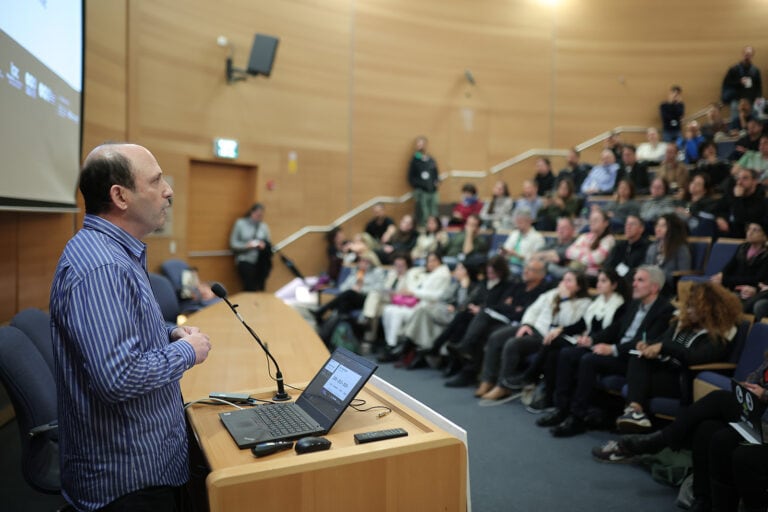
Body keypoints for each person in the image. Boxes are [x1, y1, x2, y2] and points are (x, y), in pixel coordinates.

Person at [49, 143, 212, 511]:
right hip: (128, 479)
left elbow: (124, 329)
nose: (168, 190)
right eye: (156, 181)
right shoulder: (103, 268)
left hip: (139, 463)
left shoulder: (114, 251)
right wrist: (188, 351)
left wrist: (170, 333)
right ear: (120, 196)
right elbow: (118, 377)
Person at [593, 358, 768, 512]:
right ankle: (703, 499)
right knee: (707, 428)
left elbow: (692, 353)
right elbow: (756, 376)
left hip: (764, 422)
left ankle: (659, 441)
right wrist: (751, 386)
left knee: (719, 398)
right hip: (755, 415)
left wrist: (764, 393)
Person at [545, 265, 675, 437]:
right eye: (634, 279)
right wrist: (593, 339)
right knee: (568, 354)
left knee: (589, 360)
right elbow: (616, 328)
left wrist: (613, 349)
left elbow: (645, 342)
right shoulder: (635, 303)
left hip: (635, 361)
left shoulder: (664, 310)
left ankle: (577, 417)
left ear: (654, 287)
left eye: (640, 280)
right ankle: (562, 408)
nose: (634, 284)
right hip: (619, 352)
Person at [614, 282, 742, 434]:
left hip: (684, 379)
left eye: (692, 307)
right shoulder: (684, 322)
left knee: (636, 381)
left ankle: (635, 412)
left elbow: (695, 357)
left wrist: (663, 347)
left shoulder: (723, 332)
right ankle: (635, 411)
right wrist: (648, 345)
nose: (687, 311)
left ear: (708, 308)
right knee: (637, 358)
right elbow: (662, 340)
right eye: (687, 305)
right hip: (665, 369)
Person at [476, 270, 592, 402]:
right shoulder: (552, 293)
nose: (563, 284)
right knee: (496, 337)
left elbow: (567, 324)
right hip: (533, 327)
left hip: (546, 337)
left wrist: (565, 300)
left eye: (569, 281)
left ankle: (503, 386)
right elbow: (533, 309)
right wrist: (527, 324)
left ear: (579, 286)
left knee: (513, 344)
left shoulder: (584, 303)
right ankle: (487, 380)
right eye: (563, 280)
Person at [532, 269, 628, 426]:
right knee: (559, 351)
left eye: (603, 281)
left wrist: (591, 339)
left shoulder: (620, 306)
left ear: (615, 285)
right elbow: (581, 324)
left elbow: (613, 332)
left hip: (605, 347)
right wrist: (562, 329)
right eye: (598, 280)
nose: (598, 284)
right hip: (589, 343)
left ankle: (574, 412)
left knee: (569, 353)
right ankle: (560, 407)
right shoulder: (597, 303)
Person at [444, 258, 550, 388]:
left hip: (520, 324)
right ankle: (469, 371)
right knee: (471, 321)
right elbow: (502, 305)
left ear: (541, 274)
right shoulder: (518, 285)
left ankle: (482, 374)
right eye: (525, 268)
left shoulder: (543, 290)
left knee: (490, 332)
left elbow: (523, 313)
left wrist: (511, 307)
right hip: (504, 319)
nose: (525, 271)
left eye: (530, 270)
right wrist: (513, 308)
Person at [402, 262, 481, 369]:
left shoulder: (474, 287)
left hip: (457, 317)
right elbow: (442, 298)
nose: (455, 272)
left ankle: (407, 347)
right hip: (445, 312)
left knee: (424, 310)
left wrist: (463, 288)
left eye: (459, 269)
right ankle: (421, 350)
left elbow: (463, 307)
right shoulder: (455, 284)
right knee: (424, 314)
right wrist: (448, 304)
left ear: (466, 272)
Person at [378, 252, 452, 361]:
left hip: (427, 308)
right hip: (418, 304)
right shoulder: (427, 273)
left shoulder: (442, 275)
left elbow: (437, 296)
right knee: (388, 309)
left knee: (397, 313)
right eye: (428, 261)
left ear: (440, 261)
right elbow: (416, 287)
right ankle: (390, 343)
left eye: (433, 260)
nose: (430, 263)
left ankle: (394, 346)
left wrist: (413, 293)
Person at [711, 222, 768, 320]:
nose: (750, 233)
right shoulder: (742, 248)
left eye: (755, 230)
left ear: (765, 236)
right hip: (735, 285)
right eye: (749, 229)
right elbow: (729, 266)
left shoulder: (765, 255)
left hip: (750, 288)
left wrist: (725, 280)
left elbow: (756, 279)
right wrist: (721, 275)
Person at [229, 202, 272, 291]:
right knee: (249, 287)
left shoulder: (263, 226)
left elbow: (268, 244)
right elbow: (233, 244)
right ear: (252, 212)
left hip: (261, 261)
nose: (259, 217)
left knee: (260, 288)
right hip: (245, 259)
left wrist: (263, 245)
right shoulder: (240, 223)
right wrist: (246, 246)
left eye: (261, 215)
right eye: (257, 214)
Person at [644, 213, 691, 292]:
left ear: (672, 229)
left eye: (663, 226)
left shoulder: (681, 248)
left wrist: (659, 275)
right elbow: (647, 265)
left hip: (668, 284)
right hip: (651, 281)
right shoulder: (652, 247)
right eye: (657, 225)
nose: (658, 229)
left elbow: (684, 273)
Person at [715, 168, 767, 238]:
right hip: (729, 233)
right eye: (738, 178)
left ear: (755, 181)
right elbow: (717, 209)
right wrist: (719, 218)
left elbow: (741, 220)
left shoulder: (762, 198)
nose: (739, 182)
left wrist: (738, 199)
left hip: (747, 235)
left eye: (745, 178)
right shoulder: (732, 193)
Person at [564, 209, 616, 278]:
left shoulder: (609, 239)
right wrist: (586, 252)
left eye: (596, 220)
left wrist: (581, 253)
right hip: (578, 272)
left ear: (605, 223)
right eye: (591, 220)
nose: (592, 222)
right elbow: (569, 252)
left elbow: (596, 259)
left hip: (594, 275)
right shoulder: (585, 236)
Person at [604, 214, 651, 282]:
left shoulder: (646, 247)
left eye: (632, 224)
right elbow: (609, 265)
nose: (628, 227)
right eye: (627, 224)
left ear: (641, 229)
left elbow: (639, 270)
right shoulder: (620, 245)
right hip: (615, 281)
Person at [722, 45, 763, 121]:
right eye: (746, 54)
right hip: (737, 100)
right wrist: (739, 82)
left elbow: (758, 86)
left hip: (751, 100)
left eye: (749, 55)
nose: (747, 57)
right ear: (743, 54)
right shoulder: (734, 69)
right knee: (735, 120)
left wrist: (758, 97)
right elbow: (727, 83)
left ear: (752, 56)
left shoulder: (755, 70)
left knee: (753, 121)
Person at [499, 208, 545, 274]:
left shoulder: (537, 238)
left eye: (520, 222)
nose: (517, 225)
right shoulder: (514, 234)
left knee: (509, 270)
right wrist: (503, 252)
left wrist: (518, 256)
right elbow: (507, 248)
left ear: (529, 221)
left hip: (524, 267)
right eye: (516, 222)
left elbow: (537, 259)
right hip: (508, 263)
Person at [408, 135, 440, 226]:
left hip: (432, 191)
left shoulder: (430, 159)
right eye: (418, 143)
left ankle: (434, 227)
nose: (420, 145)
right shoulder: (415, 159)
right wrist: (419, 185)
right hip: (421, 191)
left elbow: (436, 173)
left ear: (425, 145)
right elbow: (410, 177)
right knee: (423, 212)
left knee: (434, 212)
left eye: (422, 143)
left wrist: (437, 181)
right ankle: (423, 227)